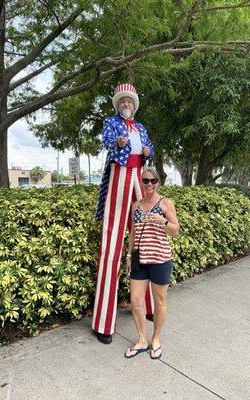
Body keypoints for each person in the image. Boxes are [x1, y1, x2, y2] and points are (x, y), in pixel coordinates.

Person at [93, 83, 155, 344]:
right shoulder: (111, 122)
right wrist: (117, 142)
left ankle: (147, 305)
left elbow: (149, 147)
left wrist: (148, 151)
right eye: (122, 102)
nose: (126, 105)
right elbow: (106, 141)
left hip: (139, 178)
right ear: (118, 105)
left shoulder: (140, 127)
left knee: (143, 238)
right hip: (119, 175)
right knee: (111, 246)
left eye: (129, 102)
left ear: (134, 105)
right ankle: (103, 322)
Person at [125, 168, 179, 359]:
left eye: (153, 181)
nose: (149, 184)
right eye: (146, 181)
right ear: (141, 182)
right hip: (140, 259)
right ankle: (141, 340)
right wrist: (129, 256)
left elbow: (175, 231)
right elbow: (133, 233)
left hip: (160, 259)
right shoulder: (136, 205)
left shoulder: (165, 203)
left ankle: (155, 339)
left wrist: (162, 221)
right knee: (136, 300)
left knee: (159, 301)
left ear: (158, 182)